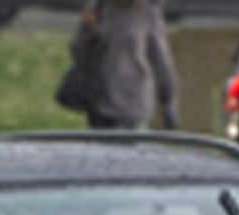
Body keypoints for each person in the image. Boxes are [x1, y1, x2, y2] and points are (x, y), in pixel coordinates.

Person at [76, 0, 180, 131]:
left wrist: (168, 102)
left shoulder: (148, 12)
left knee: (133, 148)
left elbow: (161, 60)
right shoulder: (100, 8)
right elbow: (79, 51)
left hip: (133, 104)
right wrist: (87, 28)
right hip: (100, 104)